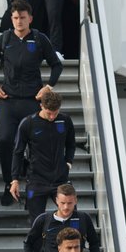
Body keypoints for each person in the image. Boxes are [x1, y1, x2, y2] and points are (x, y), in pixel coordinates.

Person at [0, 0, 63, 205]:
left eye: (23, 18)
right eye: (16, 17)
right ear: (12, 19)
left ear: (30, 19)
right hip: (8, 101)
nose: (19, 21)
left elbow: (56, 65)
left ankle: (35, 187)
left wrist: (48, 86)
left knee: (35, 143)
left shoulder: (39, 39)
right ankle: (9, 183)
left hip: (31, 100)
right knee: (5, 140)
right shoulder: (4, 39)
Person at [10, 88, 75, 223]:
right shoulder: (28, 123)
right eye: (49, 113)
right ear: (41, 106)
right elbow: (18, 152)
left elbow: (71, 144)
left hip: (60, 179)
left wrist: (68, 162)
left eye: (55, 113)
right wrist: (15, 179)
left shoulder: (65, 120)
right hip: (37, 180)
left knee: (71, 219)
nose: (52, 117)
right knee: (37, 223)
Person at [23, 183, 101, 252]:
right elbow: (28, 243)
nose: (66, 207)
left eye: (70, 203)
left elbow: (94, 242)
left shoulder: (83, 218)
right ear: (56, 201)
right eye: (62, 203)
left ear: (75, 201)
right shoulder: (44, 220)